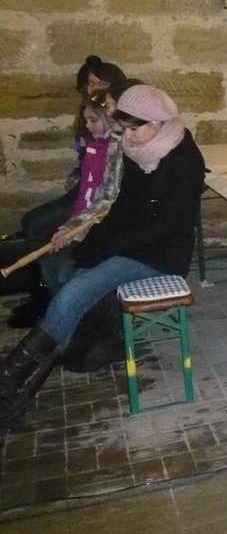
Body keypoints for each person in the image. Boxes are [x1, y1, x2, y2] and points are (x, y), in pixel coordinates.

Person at [0, 85, 205, 426]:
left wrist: (111, 245)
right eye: (124, 129)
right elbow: (123, 205)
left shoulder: (186, 159)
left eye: (135, 129)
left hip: (161, 254)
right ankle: (21, 389)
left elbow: (167, 224)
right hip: (131, 245)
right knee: (72, 284)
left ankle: (10, 380)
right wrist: (97, 240)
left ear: (158, 122)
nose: (128, 137)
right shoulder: (136, 151)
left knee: (74, 293)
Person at [8, 57, 126, 329]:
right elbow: (87, 165)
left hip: (96, 203)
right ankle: (45, 299)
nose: (93, 88)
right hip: (86, 193)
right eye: (90, 83)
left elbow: (108, 195)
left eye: (101, 84)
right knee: (34, 224)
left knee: (59, 256)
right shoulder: (92, 122)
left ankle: (65, 310)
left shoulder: (117, 136)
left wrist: (74, 227)